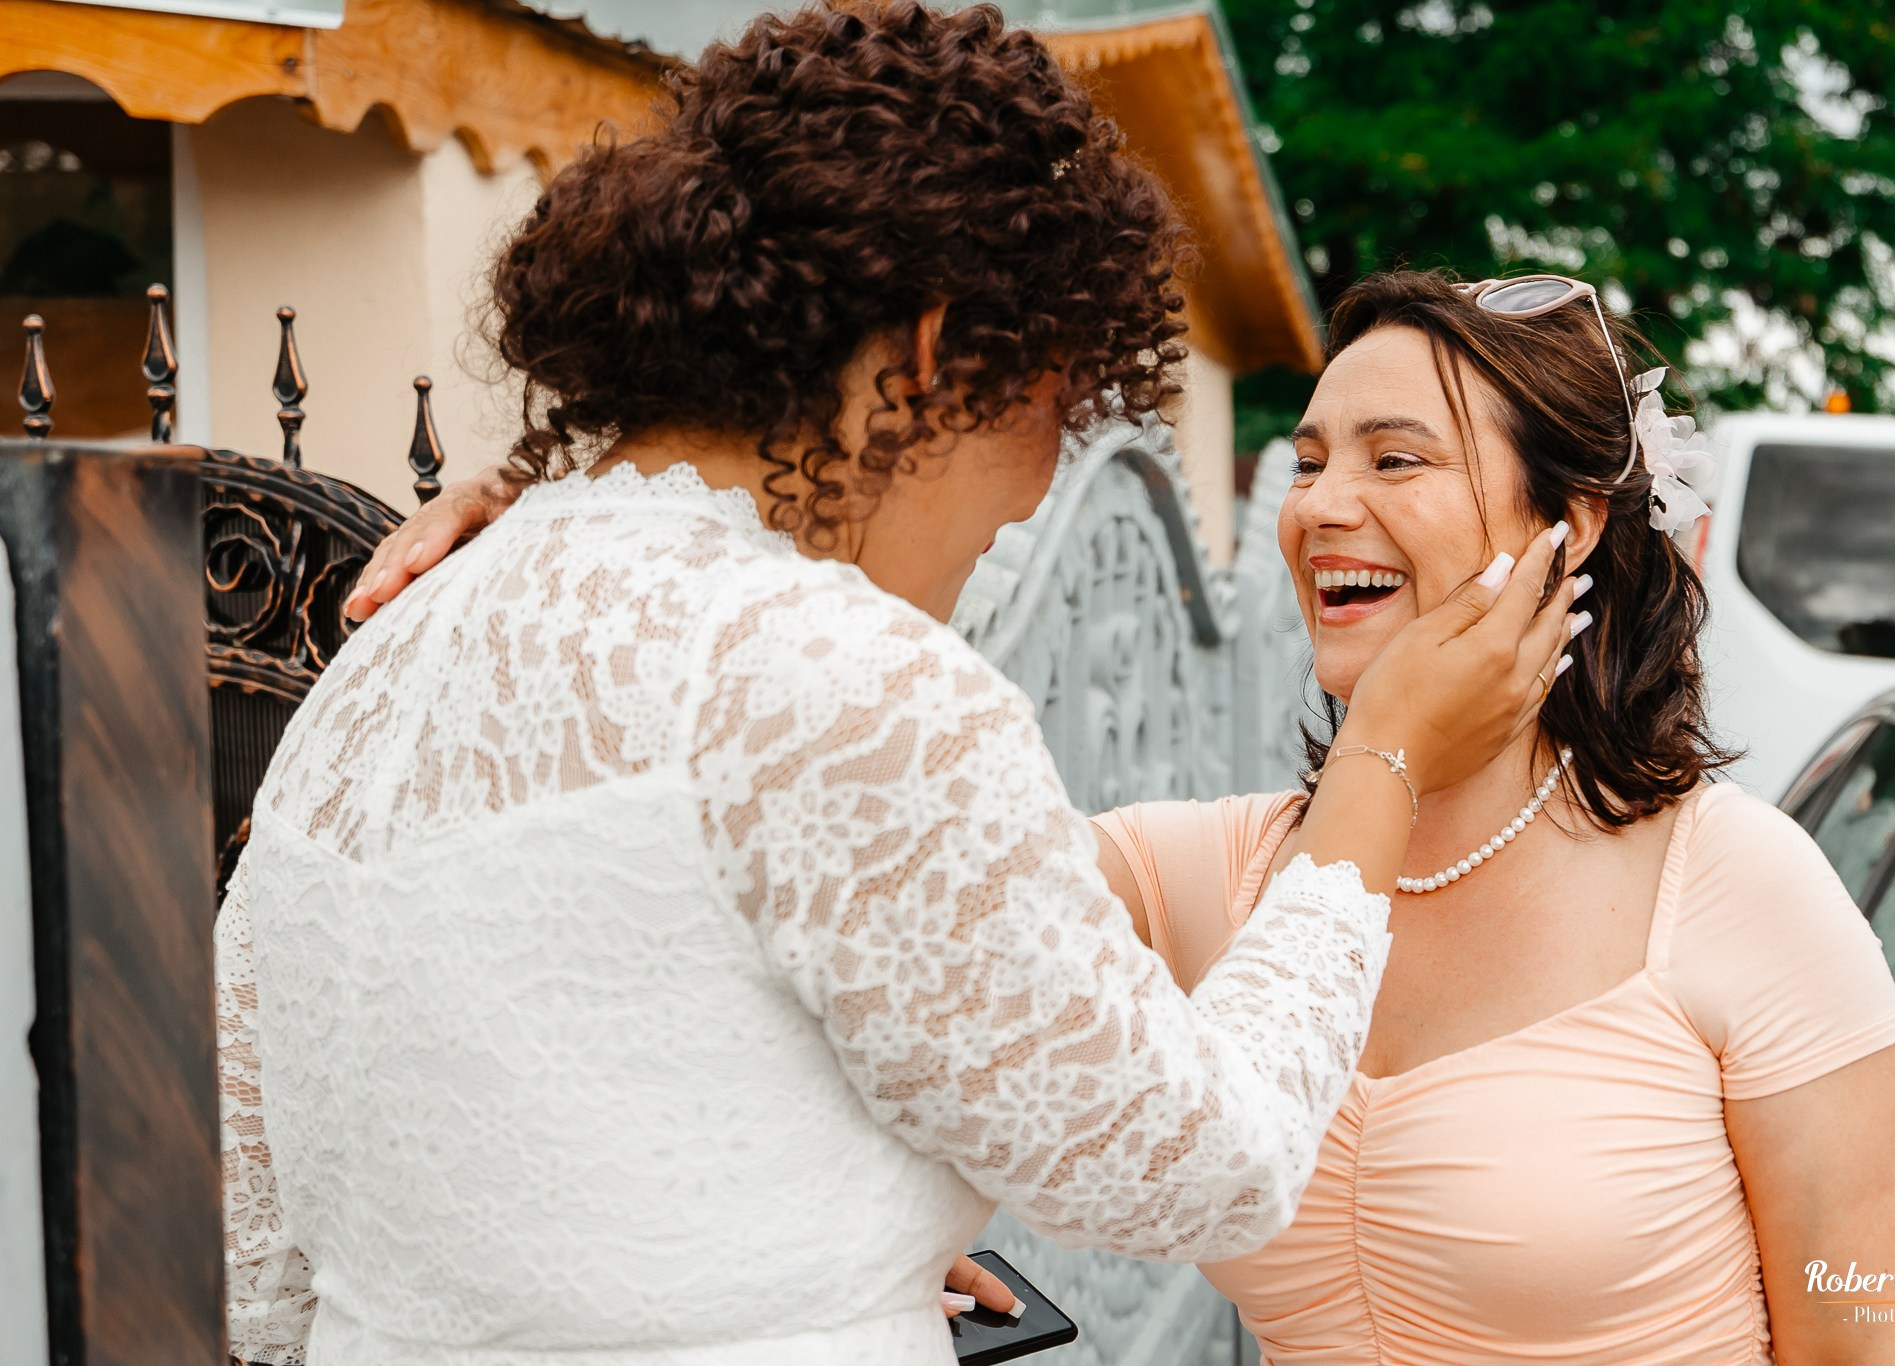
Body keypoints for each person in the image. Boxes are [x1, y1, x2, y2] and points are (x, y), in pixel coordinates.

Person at [221, 9, 1574, 1366]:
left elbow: (262, 1240)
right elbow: (1203, 1164)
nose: (1052, 471)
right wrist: (1381, 759)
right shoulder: (838, 680)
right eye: (1062, 391)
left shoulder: (389, 656)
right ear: (930, 355)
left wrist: (814, 1250)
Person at [364, 271, 1895, 1365]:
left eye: (1398, 457)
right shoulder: (1207, 870)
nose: (1324, 503)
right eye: (1308, 458)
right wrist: (595, 546)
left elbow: (1866, 1325)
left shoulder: (1742, 893)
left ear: (1567, 529)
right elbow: (786, 941)